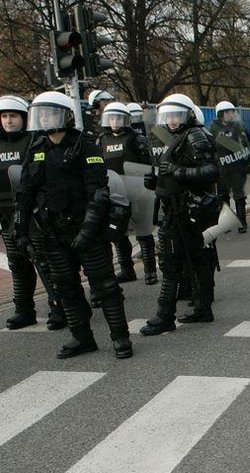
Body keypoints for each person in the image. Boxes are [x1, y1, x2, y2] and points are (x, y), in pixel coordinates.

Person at [14, 91, 132, 358]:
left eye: (50, 113)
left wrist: (88, 229)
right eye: (41, 113)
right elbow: (25, 194)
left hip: (85, 230)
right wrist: (20, 230)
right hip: (52, 233)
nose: (45, 118)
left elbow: (98, 192)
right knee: (65, 287)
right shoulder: (36, 148)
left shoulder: (85, 145)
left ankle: (121, 337)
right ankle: (82, 338)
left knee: (105, 286)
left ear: (66, 116)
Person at [139, 93, 219, 336]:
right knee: (196, 260)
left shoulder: (195, 135)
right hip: (176, 208)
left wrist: (176, 171)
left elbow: (211, 171)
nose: (172, 120)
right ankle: (203, 308)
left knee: (171, 264)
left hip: (186, 210)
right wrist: (156, 181)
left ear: (189, 115)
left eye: (177, 115)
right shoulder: (179, 137)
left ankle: (165, 316)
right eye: (169, 115)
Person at [1, 94, 65, 330]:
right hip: (7, 216)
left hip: (34, 215)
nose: (8, 121)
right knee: (18, 264)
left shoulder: (34, 141)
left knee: (45, 262)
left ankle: (60, 307)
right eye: (4, 116)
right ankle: (23, 310)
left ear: (24, 118)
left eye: (13, 116)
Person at [97, 101, 156, 284]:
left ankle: (150, 271)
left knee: (144, 232)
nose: (115, 121)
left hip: (137, 191)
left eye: (118, 118)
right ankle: (127, 270)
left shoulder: (136, 138)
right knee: (119, 233)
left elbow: (147, 166)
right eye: (112, 117)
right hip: (115, 192)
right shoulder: (102, 140)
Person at [209, 101, 250, 232]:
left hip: (237, 166)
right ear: (221, 114)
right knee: (223, 197)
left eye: (232, 112)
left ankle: (241, 223)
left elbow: (246, 143)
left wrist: (249, 160)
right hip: (222, 167)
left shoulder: (238, 127)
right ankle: (226, 223)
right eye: (228, 112)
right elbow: (211, 147)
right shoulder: (214, 128)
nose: (231, 114)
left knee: (239, 195)